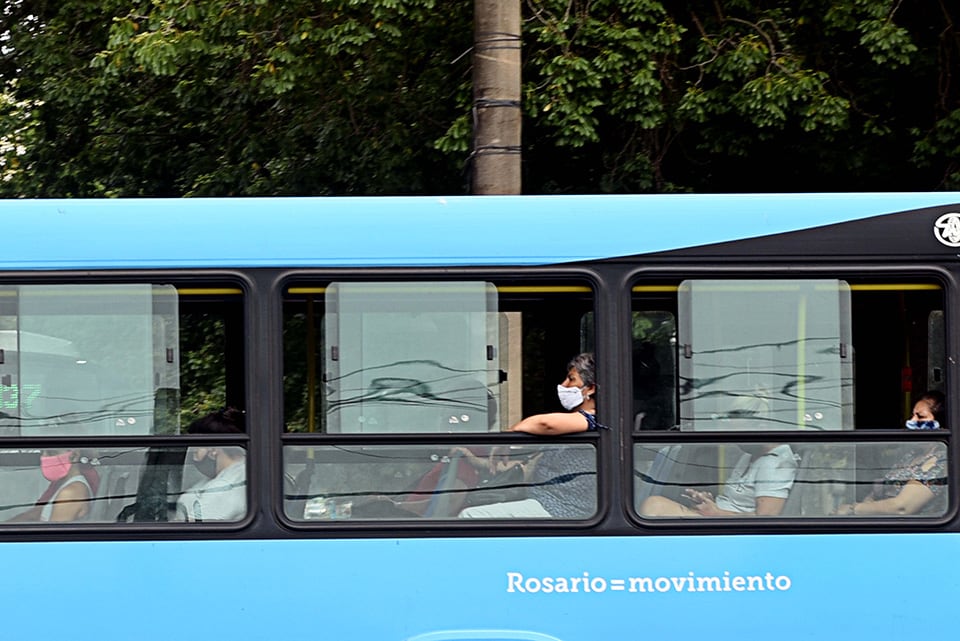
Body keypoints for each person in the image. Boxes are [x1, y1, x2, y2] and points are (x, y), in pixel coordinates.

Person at [458, 352, 605, 519]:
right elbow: (524, 467)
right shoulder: (571, 427)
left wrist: (507, 437)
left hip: (562, 508)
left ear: (590, 388)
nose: (563, 385)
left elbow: (544, 424)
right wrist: (471, 459)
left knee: (470, 516)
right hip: (542, 500)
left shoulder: (594, 419)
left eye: (571, 379)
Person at [639, 395, 797, 517]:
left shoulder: (776, 463)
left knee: (655, 506)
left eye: (741, 434)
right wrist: (708, 502)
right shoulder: (750, 455)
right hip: (719, 515)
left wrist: (716, 513)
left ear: (762, 426)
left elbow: (765, 518)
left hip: (729, 527)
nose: (737, 442)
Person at [833, 390, 947, 516]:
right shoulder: (912, 455)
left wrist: (853, 509)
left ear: (940, 425)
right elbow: (877, 494)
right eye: (912, 416)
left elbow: (902, 507)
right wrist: (864, 509)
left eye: (920, 417)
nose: (911, 422)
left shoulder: (940, 462)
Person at [174, 407, 247, 522]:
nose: (193, 453)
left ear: (213, 450)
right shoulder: (240, 473)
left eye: (196, 446)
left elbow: (194, 526)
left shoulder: (224, 488)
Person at [8, 449, 100, 522]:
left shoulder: (70, 492)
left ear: (74, 456)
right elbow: (35, 513)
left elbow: (53, 537)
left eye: (51, 453)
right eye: (42, 452)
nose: (43, 457)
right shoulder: (61, 484)